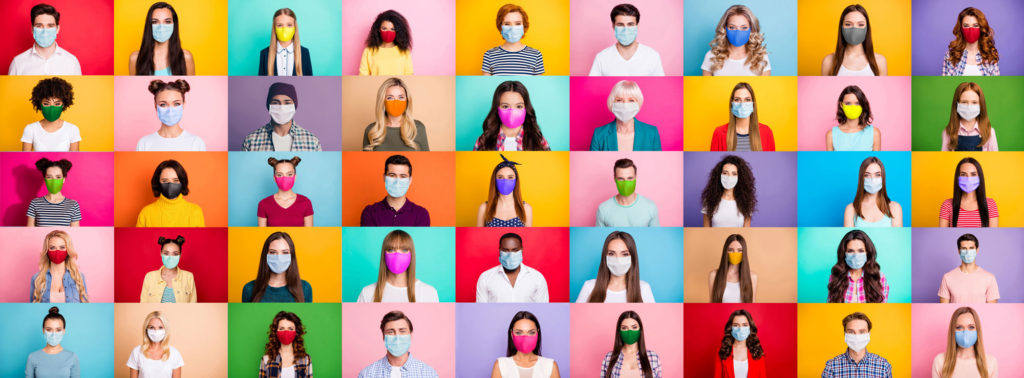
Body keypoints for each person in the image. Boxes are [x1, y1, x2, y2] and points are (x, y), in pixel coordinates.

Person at [357, 230, 440, 302]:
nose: (397, 255)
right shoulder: (367, 293)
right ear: (384, 255)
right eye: (391, 249)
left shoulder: (429, 293)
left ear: (411, 255)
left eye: (404, 250)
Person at [242, 82, 323, 151]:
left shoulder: (312, 141)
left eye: (287, 103)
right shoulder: (251, 141)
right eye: (275, 103)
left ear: (294, 106)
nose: (282, 107)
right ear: (269, 105)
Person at [576, 231, 655, 303]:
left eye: (624, 254)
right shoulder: (589, 287)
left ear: (632, 258)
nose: (618, 259)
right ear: (605, 257)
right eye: (611, 254)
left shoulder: (643, 289)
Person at [589, 4, 664, 76]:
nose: (626, 30)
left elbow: (660, 87)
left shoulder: (652, 56)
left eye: (630, 24)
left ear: (637, 26)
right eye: (620, 25)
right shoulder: (601, 58)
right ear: (613, 26)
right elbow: (591, 87)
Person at [474, 81, 551, 151]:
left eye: (519, 106)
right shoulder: (484, 140)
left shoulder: (538, 140)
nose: (512, 112)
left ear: (526, 108)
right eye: (505, 106)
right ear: (497, 109)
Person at [359, 311, 439, 377]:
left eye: (402, 331)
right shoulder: (367, 374)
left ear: (410, 335)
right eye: (390, 332)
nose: (397, 337)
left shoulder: (429, 374)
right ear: (383, 337)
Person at [9, 3, 81, 75]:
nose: (45, 31)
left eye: (50, 26)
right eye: (39, 26)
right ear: (32, 29)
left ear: (57, 29)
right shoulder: (18, 63)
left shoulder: (72, 62)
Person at [590, 80, 661, 151]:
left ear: (638, 103)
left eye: (631, 100)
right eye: (619, 100)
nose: (625, 105)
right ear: (612, 103)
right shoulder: (599, 134)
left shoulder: (651, 132)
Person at [476, 233, 549, 302]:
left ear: (522, 250)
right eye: (505, 250)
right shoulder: (485, 277)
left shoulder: (537, 277)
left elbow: (544, 307)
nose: (510, 255)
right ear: (499, 250)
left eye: (515, 250)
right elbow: (480, 308)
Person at [360, 154, 431, 226]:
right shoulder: (370, 212)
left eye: (403, 176)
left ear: (410, 180)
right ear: (384, 177)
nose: (397, 181)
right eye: (392, 175)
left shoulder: (421, 214)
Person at [242, 232, 313, 303]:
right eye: (273, 252)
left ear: (292, 256)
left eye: (285, 253)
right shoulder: (249, 289)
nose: (279, 257)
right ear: (265, 255)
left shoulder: (305, 288)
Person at [136, 79, 206, 151]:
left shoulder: (196, 143)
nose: (170, 111)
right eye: (163, 104)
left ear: (183, 104)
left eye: (176, 104)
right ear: (155, 106)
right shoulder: (144, 143)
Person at [362, 78, 429, 151]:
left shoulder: (418, 128)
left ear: (407, 100)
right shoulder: (372, 131)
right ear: (382, 101)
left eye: (401, 97)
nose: (396, 102)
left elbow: (427, 160)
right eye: (390, 98)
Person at [701, 5, 770, 76]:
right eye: (732, 27)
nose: (738, 32)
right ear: (725, 29)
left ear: (751, 30)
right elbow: (706, 86)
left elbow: (765, 87)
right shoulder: (712, 56)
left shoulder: (761, 57)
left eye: (744, 27)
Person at [129, 2, 194, 75]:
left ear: (174, 24)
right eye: (155, 22)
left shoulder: (186, 58)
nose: (161, 27)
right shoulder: (135, 58)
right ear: (149, 25)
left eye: (167, 21)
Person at [821, 4, 887, 76]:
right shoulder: (828, 61)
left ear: (867, 28)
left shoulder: (880, 61)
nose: (854, 28)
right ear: (841, 28)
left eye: (860, 25)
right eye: (848, 24)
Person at [136, 160, 205, 227]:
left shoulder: (195, 212)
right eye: (165, 180)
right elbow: (139, 238)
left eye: (175, 180)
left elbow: (200, 238)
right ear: (158, 183)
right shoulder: (146, 213)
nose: (170, 184)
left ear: (182, 182)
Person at [932, 307, 997, 377]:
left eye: (971, 327)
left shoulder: (990, 362)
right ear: (952, 331)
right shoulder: (940, 361)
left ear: (977, 330)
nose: (965, 332)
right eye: (959, 327)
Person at [492, 311, 560, 377]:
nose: (525, 338)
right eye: (519, 332)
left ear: (537, 333)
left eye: (531, 332)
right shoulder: (501, 365)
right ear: (512, 334)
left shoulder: (550, 366)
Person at [822, 312, 892, 377]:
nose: (857, 336)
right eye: (851, 332)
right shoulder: (831, 367)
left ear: (869, 334)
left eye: (862, 332)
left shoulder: (884, 366)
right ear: (845, 334)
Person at [827, 230, 889, 303]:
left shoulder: (879, 277)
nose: (856, 255)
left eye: (861, 251)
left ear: (867, 252)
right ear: (844, 253)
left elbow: (882, 305)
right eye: (850, 251)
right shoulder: (836, 276)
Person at [710, 82, 775, 151]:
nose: (742, 104)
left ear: (753, 104)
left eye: (747, 100)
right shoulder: (719, 132)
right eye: (737, 99)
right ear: (732, 104)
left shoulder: (766, 131)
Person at [482, 4, 544, 76]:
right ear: (500, 26)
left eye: (517, 23)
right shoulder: (489, 55)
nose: (512, 28)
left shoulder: (536, 55)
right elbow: (486, 85)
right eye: (507, 24)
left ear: (524, 26)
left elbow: (537, 85)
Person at [595, 159, 660, 227]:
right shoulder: (603, 209)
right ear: (614, 179)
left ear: (636, 177)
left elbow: (656, 235)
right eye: (621, 178)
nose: (626, 183)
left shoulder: (650, 207)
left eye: (630, 178)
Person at [22, 77, 81, 151]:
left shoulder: (72, 129)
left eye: (57, 103)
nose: (52, 108)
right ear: (40, 104)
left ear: (63, 105)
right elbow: (25, 159)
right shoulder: (31, 129)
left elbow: (74, 159)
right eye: (46, 103)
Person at [938, 234, 999, 304]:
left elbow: (991, 310)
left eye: (971, 248)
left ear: (977, 250)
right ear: (959, 251)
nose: (968, 252)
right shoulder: (947, 277)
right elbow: (943, 308)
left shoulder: (989, 278)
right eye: (964, 248)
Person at [843, 157, 903, 227]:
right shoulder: (851, 209)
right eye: (867, 175)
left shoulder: (895, 208)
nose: (872, 179)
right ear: (861, 178)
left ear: (883, 177)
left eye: (877, 175)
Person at [30, 230, 88, 303]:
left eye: (62, 247)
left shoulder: (79, 277)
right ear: (47, 251)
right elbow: (33, 308)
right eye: (52, 248)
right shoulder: (37, 279)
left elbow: (85, 307)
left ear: (68, 250)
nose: (57, 251)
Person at [939, 157, 998, 228]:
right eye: (963, 174)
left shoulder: (990, 204)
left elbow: (992, 234)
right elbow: (943, 234)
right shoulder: (947, 205)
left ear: (979, 177)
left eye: (973, 174)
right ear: (958, 178)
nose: (969, 179)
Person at [601, 311, 662, 377]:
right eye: (624, 328)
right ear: (619, 331)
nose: (629, 332)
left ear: (640, 330)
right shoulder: (609, 358)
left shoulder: (653, 357)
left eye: (634, 327)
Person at [477, 154, 533, 227]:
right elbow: (479, 236)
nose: (505, 181)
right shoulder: (484, 208)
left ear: (516, 181)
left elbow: (528, 236)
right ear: (494, 180)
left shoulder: (526, 208)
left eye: (510, 177)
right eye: (500, 177)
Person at [701, 155, 756, 227]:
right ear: (719, 175)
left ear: (740, 177)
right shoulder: (709, 200)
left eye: (734, 174)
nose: (729, 177)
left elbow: (746, 231)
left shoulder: (747, 202)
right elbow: (706, 230)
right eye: (725, 173)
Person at [942, 7, 999, 76]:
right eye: (966, 26)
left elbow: (995, 85)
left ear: (981, 28)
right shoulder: (950, 55)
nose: (971, 30)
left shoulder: (990, 56)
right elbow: (945, 84)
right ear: (960, 29)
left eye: (975, 25)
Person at [258, 157, 314, 227]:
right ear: (274, 178)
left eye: (289, 174)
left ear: (295, 177)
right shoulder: (263, 204)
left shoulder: (305, 202)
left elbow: (309, 234)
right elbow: (262, 235)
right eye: (279, 175)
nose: (285, 178)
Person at [139, 235, 197, 303]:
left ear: (180, 255)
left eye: (175, 254)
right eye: (166, 253)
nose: (170, 257)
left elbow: (193, 305)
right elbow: (143, 304)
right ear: (161, 253)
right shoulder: (149, 277)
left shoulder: (188, 277)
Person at [25, 306, 80, 378]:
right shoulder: (32, 357)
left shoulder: (72, 357)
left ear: (64, 331)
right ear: (43, 330)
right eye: (49, 329)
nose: (54, 334)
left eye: (58, 330)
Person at [941, 82, 997, 152]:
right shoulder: (948, 132)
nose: (969, 106)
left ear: (980, 105)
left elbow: (993, 161)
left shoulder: (989, 132)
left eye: (974, 102)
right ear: (957, 104)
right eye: (964, 102)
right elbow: (945, 161)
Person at [126, 311, 184, 377]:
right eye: (151, 327)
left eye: (160, 327)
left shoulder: (174, 353)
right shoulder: (136, 352)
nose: (156, 331)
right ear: (146, 329)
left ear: (166, 329)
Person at [27, 158, 81, 227]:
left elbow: (75, 233)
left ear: (63, 179)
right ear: (44, 179)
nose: (54, 180)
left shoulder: (73, 205)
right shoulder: (35, 203)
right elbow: (29, 232)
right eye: (49, 177)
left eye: (58, 177)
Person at [259, 8, 312, 76]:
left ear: (295, 27)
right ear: (274, 28)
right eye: (279, 25)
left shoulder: (304, 53)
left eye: (289, 25)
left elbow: (310, 82)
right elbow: (260, 83)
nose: (284, 29)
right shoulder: (265, 53)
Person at [713, 309, 767, 378]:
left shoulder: (757, 351)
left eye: (745, 325)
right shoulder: (722, 351)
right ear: (730, 328)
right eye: (736, 325)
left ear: (750, 327)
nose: (740, 329)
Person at [359, 10, 413, 75]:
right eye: (384, 28)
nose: (388, 32)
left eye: (392, 29)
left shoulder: (404, 51)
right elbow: (362, 75)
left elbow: (409, 75)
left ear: (398, 31)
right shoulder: (369, 51)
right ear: (378, 29)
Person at [826, 85, 880, 151]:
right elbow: (830, 161)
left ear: (862, 105)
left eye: (857, 103)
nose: (852, 107)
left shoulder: (874, 133)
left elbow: (875, 160)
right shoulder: (831, 135)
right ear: (841, 105)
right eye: (848, 103)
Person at [260, 311, 313, 377]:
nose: (286, 332)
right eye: (282, 328)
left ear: (296, 332)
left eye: (290, 329)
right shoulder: (266, 359)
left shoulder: (306, 359)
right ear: (276, 332)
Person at [708, 234, 757, 303]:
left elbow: (753, 304)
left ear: (744, 252)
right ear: (726, 252)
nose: (735, 253)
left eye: (739, 250)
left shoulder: (752, 277)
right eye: (731, 250)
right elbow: (711, 304)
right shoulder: (714, 275)